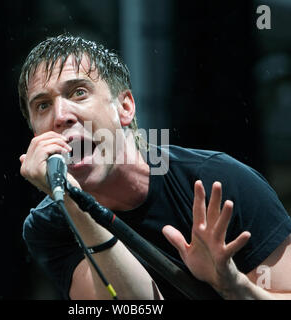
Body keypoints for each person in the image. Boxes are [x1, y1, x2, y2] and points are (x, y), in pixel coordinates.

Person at [18, 34, 291, 300]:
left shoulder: (219, 180)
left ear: (125, 107)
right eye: (42, 105)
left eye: (78, 93)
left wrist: (231, 284)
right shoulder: (50, 224)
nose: (61, 116)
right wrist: (71, 200)